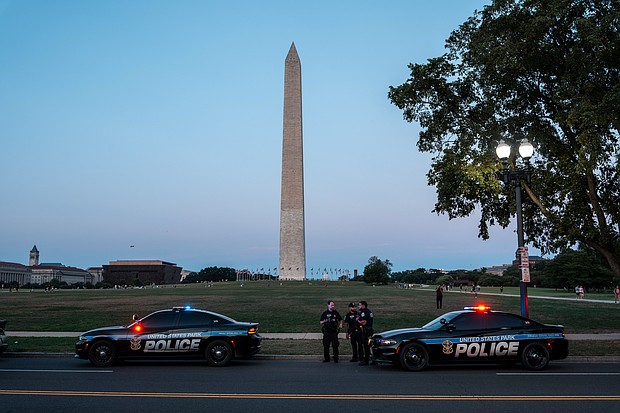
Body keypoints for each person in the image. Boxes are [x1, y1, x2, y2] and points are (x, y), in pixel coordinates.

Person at [356, 300, 374, 366]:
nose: (359, 306)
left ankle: (366, 361)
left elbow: (364, 322)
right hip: (370, 330)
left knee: (366, 346)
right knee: (369, 345)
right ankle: (372, 359)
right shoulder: (369, 311)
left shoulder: (364, 312)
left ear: (363, 305)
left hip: (366, 331)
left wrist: (358, 320)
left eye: (360, 305)